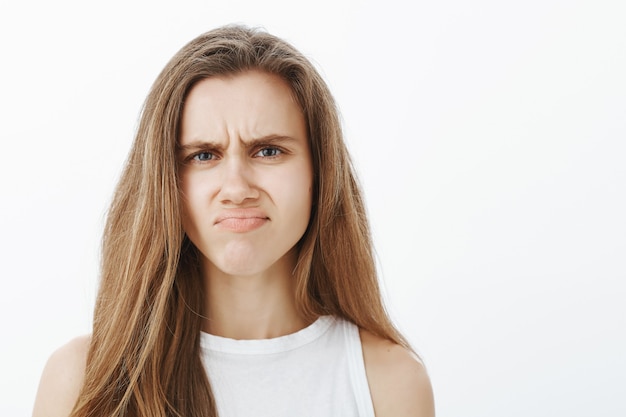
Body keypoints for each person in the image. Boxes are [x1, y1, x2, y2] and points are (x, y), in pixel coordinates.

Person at [32, 25, 434, 417]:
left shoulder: (388, 383)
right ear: (164, 182)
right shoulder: (83, 380)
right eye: (204, 155)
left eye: (268, 151)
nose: (237, 188)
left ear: (319, 172)